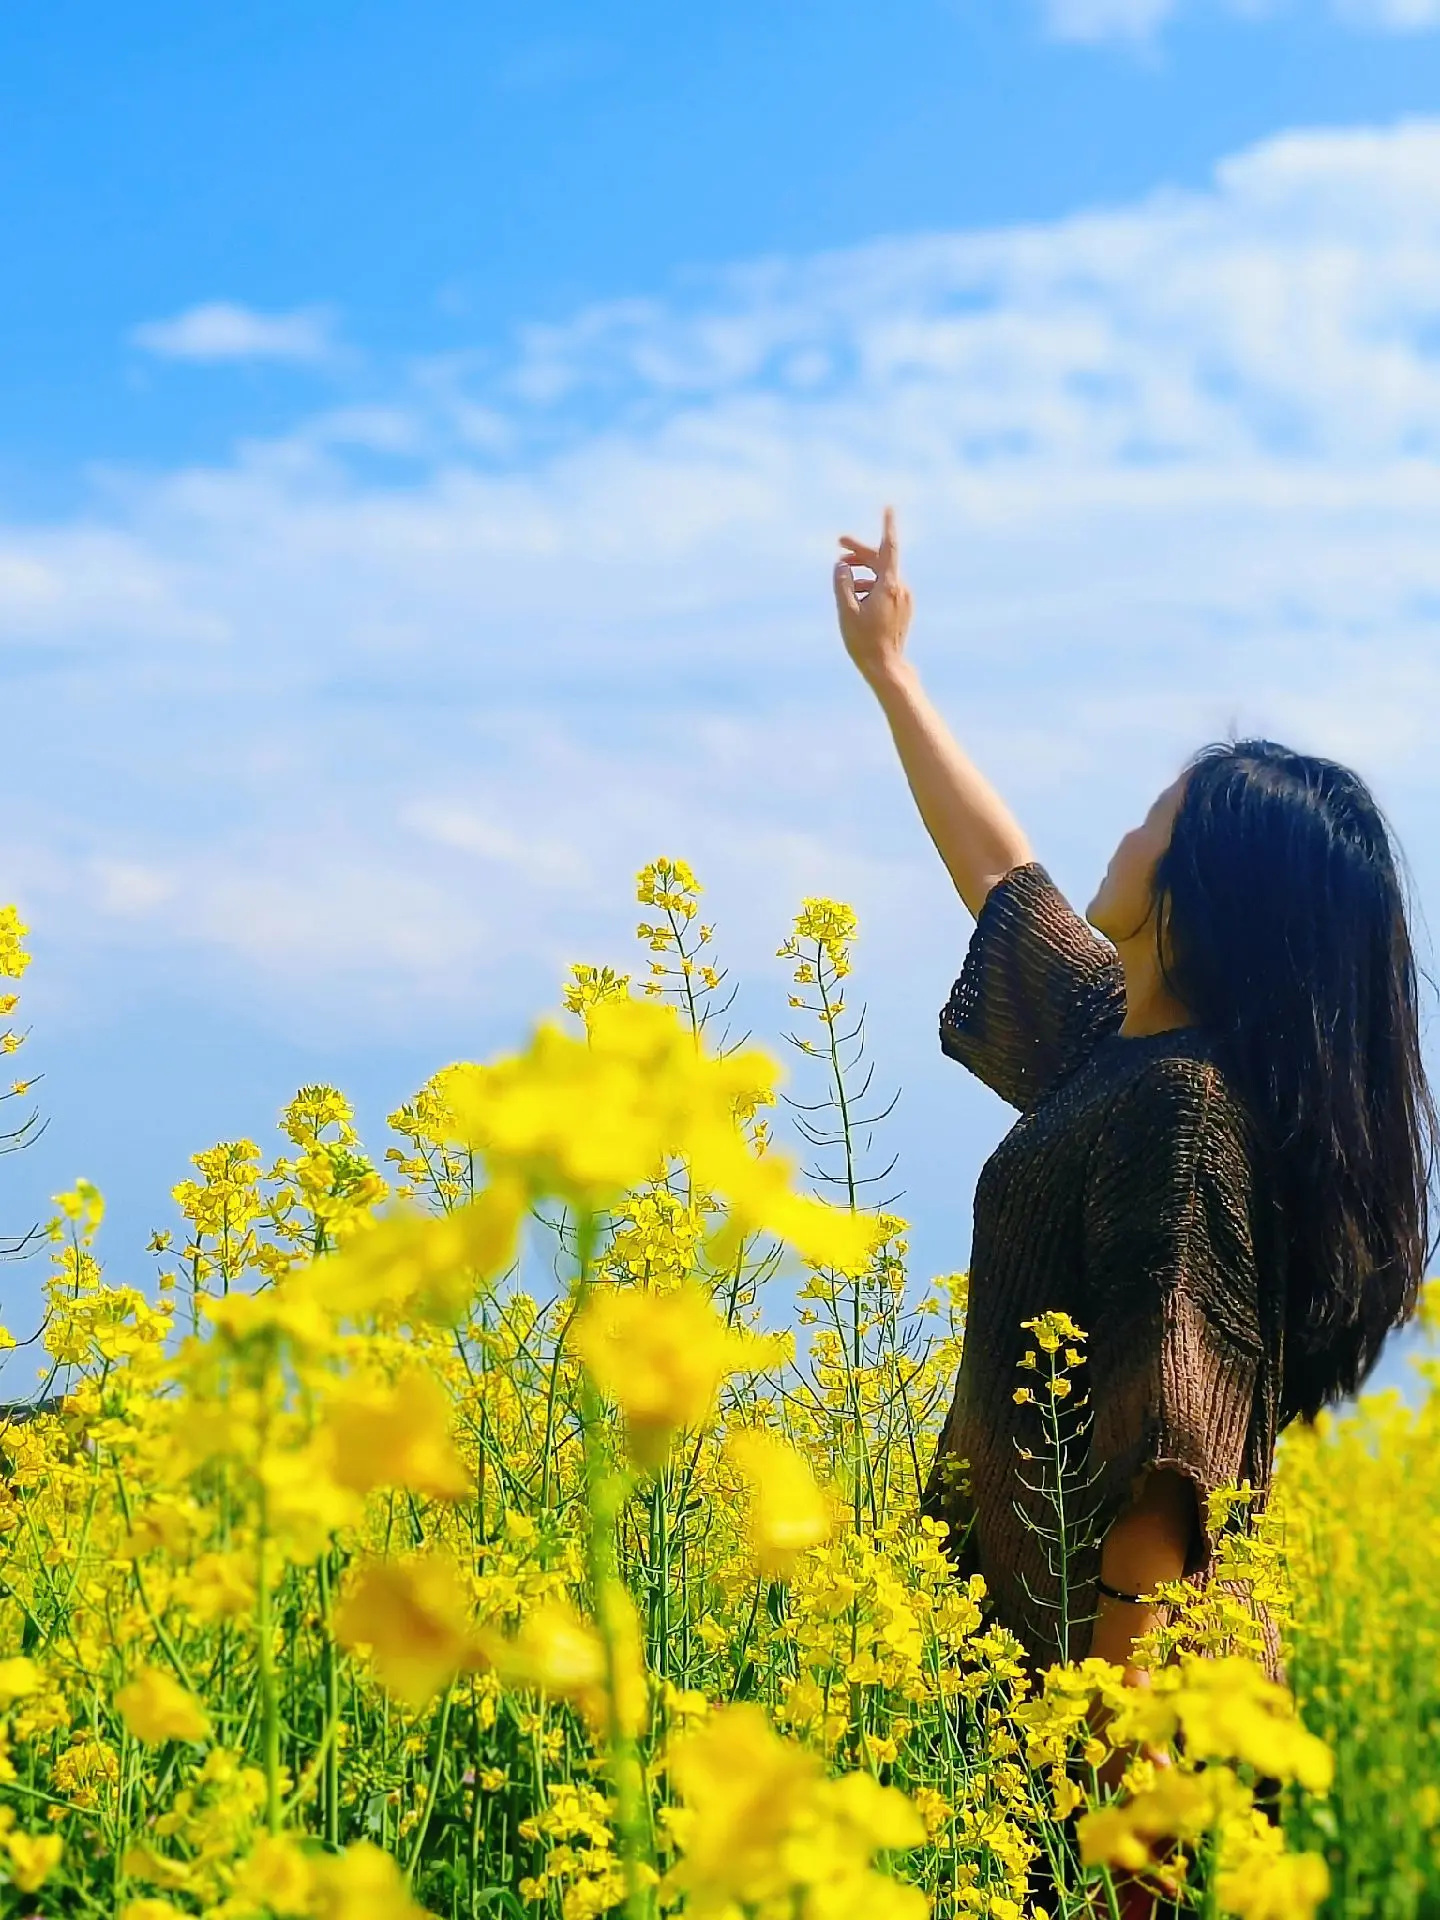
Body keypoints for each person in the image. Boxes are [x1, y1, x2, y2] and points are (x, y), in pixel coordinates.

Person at [833, 508, 1436, 1912]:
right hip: (1047, 1711)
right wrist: (893, 674)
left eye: (1149, 823)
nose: (1116, 835)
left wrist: (1121, 1819)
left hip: (1103, 1733)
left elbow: (1170, 1461)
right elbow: (1004, 887)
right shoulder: (1126, 1057)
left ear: (1203, 895)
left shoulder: (1184, 1112)